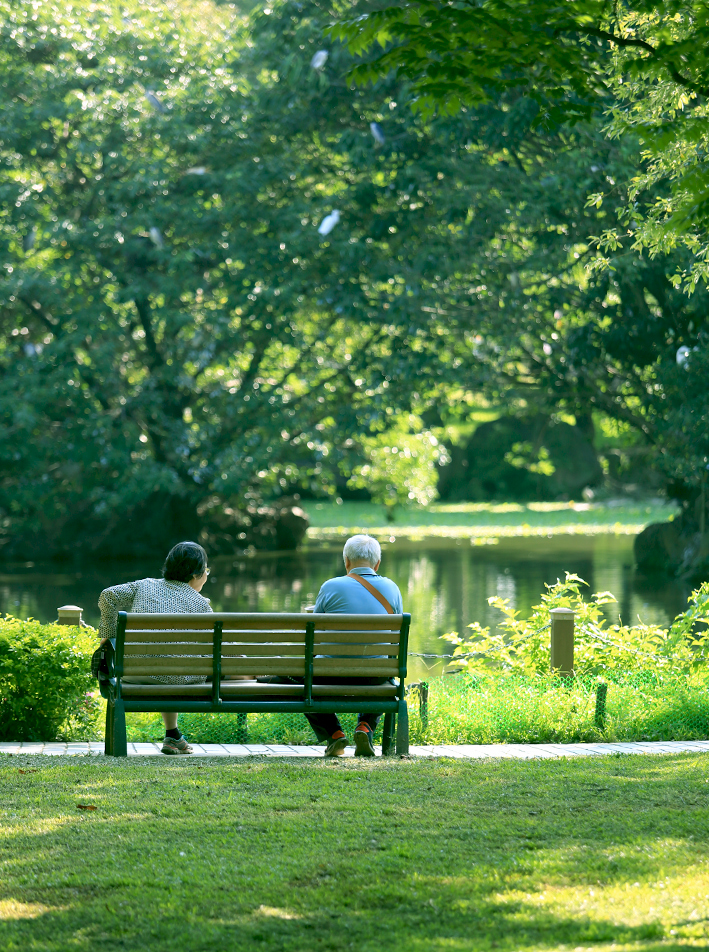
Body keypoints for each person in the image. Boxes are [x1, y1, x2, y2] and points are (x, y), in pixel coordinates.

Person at [98, 541, 211, 756]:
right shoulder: (200, 604)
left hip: (134, 672)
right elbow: (219, 645)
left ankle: (173, 735)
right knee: (177, 663)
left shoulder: (144, 585)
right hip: (179, 678)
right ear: (195, 574)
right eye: (206, 570)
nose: (207, 576)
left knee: (166, 660)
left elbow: (108, 596)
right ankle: (173, 736)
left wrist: (109, 636)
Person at [307, 534, 403, 758]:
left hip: (330, 675)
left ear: (346, 561)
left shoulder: (330, 587)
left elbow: (316, 634)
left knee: (305, 680)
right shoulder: (392, 588)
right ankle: (365, 726)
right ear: (377, 564)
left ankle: (334, 734)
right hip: (375, 676)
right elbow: (393, 637)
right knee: (383, 672)